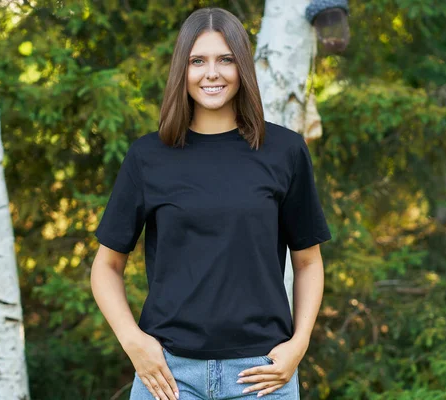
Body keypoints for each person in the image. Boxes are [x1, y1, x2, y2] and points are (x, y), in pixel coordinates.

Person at [90, 7, 331, 400]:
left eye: (226, 60)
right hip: (168, 376)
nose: (211, 73)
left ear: (243, 67)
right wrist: (134, 343)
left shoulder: (285, 151)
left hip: (262, 376)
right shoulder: (148, 156)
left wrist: (298, 344)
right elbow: (106, 266)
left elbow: (307, 262)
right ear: (181, 71)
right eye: (197, 61)